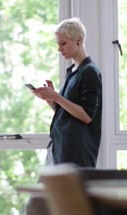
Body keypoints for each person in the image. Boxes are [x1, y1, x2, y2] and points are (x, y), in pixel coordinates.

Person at [25, 17, 102, 215]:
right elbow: (66, 113)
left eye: (63, 43)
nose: (59, 49)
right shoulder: (72, 72)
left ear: (78, 40)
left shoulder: (90, 72)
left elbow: (86, 115)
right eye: (58, 44)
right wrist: (50, 99)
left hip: (75, 152)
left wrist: (57, 97)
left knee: (60, 207)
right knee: (37, 204)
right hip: (58, 148)